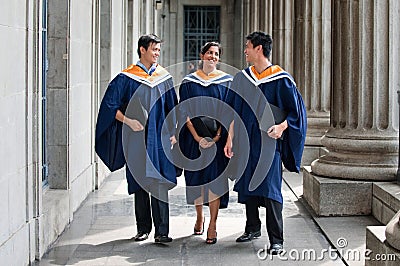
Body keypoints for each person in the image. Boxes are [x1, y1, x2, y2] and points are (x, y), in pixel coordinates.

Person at [224, 31, 307, 254]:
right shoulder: (242, 78)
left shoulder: (282, 80)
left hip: (269, 145)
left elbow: (296, 113)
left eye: (248, 46)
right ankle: (252, 228)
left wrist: (281, 127)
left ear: (258, 49)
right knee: (249, 186)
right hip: (246, 143)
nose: (245, 51)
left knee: (270, 191)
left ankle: (276, 239)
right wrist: (229, 139)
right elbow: (233, 111)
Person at [95, 34, 178, 243]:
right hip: (135, 138)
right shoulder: (126, 78)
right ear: (142, 50)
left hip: (159, 139)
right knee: (141, 183)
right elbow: (109, 107)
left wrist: (174, 133)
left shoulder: (164, 77)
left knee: (159, 182)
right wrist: (128, 121)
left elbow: (173, 108)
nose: (157, 53)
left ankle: (162, 232)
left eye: (159, 50)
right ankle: (143, 228)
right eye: (154, 49)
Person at [178, 42, 233, 244]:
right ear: (201, 55)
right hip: (195, 142)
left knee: (215, 182)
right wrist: (197, 138)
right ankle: (200, 215)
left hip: (217, 143)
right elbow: (184, 112)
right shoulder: (189, 82)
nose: (212, 56)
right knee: (197, 181)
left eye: (216, 54)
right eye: (209, 53)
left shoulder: (227, 81)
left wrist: (217, 137)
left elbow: (228, 112)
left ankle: (213, 225)